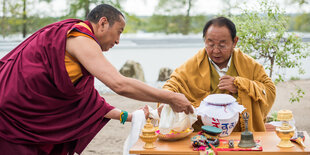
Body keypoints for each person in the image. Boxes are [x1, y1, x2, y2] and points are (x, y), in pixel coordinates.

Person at [0, 4, 193, 155]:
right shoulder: (80, 37)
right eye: (119, 31)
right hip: (11, 116)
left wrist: (132, 116)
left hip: (24, 118)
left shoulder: (76, 46)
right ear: (102, 23)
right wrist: (170, 97)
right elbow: (119, 84)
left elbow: (90, 103)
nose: (118, 40)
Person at [160, 17, 276, 132]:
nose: (215, 51)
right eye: (210, 44)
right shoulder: (193, 64)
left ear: (234, 42)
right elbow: (173, 84)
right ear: (205, 41)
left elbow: (269, 90)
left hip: (240, 135)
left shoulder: (248, 65)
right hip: (202, 135)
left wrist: (240, 85)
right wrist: (166, 100)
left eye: (222, 45)